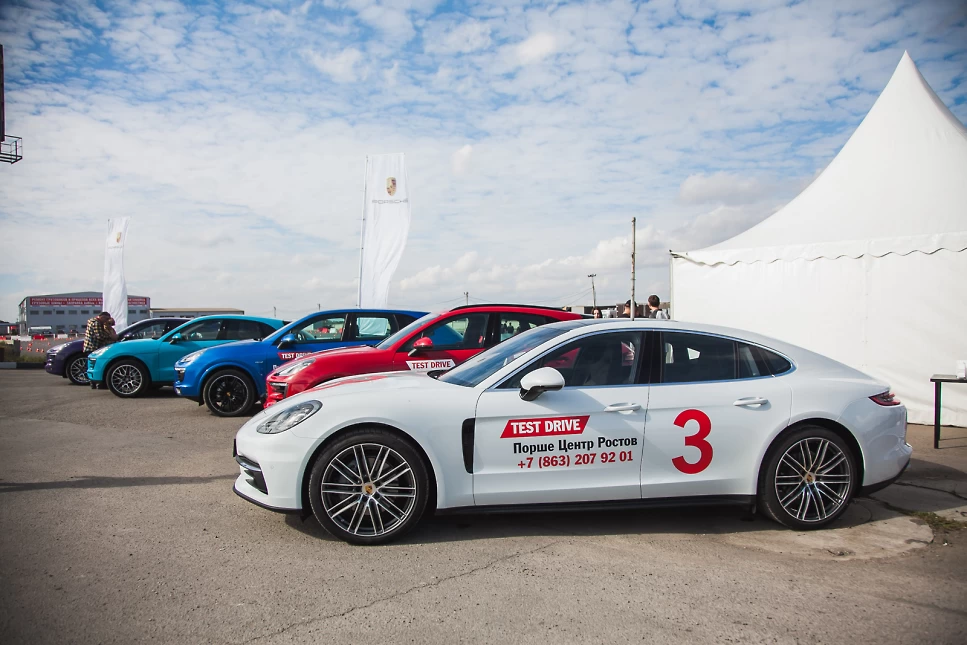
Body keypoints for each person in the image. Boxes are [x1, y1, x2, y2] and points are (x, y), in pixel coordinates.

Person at [83, 312, 117, 389]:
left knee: (92, 365)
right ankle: (95, 383)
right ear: (102, 317)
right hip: (93, 347)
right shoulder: (97, 323)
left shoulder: (92, 321)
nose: (106, 321)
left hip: (90, 346)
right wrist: (111, 337)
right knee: (96, 365)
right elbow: (99, 336)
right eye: (106, 319)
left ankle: (93, 383)